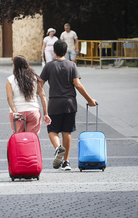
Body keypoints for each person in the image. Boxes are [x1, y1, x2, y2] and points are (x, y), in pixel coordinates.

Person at [40, 40, 96, 171]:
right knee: (67, 131)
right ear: (66, 51)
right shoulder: (72, 65)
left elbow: (40, 83)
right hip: (70, 103)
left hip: (54, 102)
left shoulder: (48, 66)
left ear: (54, 51)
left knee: (52, 130)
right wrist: (90, 100)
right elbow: (77, 85)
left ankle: (58, 148)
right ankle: (66, 162)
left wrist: (40, 95)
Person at [6, 55, 51, 134]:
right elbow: (43, 96)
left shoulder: (10, 80)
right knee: (31, 139)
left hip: (18, 112)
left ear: (15, 65)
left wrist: (15, 112)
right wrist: (45, 114)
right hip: (33, 112)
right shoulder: (35, 78)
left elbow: (9, 98)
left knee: (19, 139)